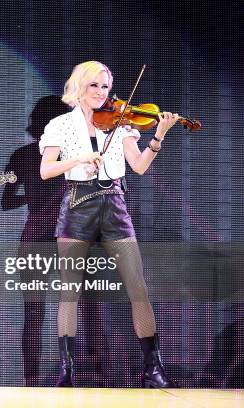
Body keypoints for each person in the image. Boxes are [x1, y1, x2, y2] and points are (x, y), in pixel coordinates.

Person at [39, 61, 180, 388]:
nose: (101, 93)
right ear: (79, 87)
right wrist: (81, 159)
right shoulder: (61, 125)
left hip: (114, 203)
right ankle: (67, 372)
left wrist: (157, 135)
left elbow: (140, 166)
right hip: (77, 204)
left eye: (105, 87)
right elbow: (47, 170)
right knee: (70, 291)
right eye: (94, 86)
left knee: (137, 286)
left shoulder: (122, 123)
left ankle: (153, 369)